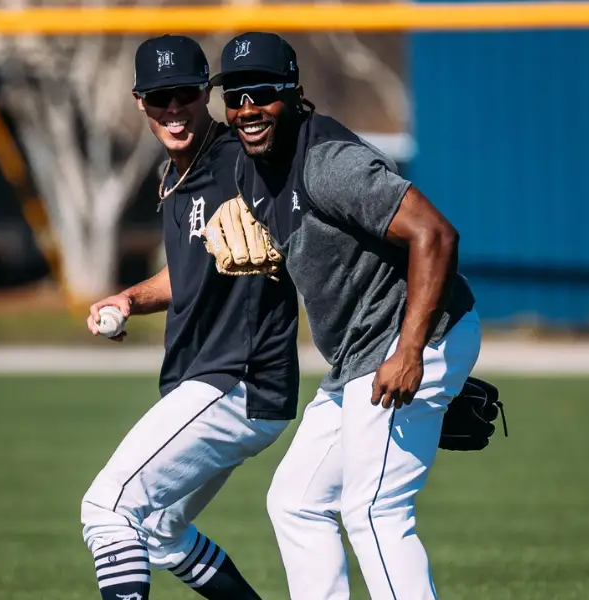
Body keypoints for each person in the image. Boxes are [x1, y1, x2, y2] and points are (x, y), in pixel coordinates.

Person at [204, 32, 482, 600]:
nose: (246, 108)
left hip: (415, 338)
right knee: (296, 501)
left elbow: (436, 233)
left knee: (374, 508)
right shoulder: (250, 170)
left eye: (261, 92)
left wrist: (410, 355)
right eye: (234, 96)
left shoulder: (329, 163)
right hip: (359, 357)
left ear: (294, 94)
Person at [80, 34, 300, 600]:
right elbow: (186, 273)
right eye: (160, 98)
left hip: (236, 378)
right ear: (139, 101)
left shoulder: (239, 162)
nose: (173, 110)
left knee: (107, 509)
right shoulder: (173, 176)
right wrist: (128, 299)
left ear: (206, 93)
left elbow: (308, 190)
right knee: (159, 530)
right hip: (212, 380)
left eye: (184, 95)